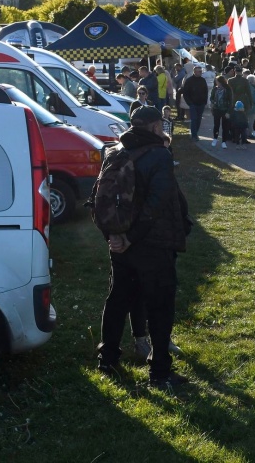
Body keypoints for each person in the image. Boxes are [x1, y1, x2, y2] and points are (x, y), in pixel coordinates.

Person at [97, 106, 191, 388]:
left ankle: (107, 359)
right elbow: (157, 202)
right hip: (152, 243)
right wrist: (132, 237)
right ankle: (159, 372)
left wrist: (114, 236)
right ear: (155, 126)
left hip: (120, 243)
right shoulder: (159, 155)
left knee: (118, 299)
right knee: (159, 305)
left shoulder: (115, 151)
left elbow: (100, 199)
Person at [179, 66, 208, 141]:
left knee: (198, 119)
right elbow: (185, 93)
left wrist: (205, 101)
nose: (200, 73)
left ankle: (196, 133)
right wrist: (190, 103)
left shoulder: (203, 80)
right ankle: (194, 135)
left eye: (201, 71)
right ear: (194, 72)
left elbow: (205, 91)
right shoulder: (189, 80)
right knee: (194, 119)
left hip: (201, 103)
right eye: (199, 71)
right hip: (193, 104)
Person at [209, 75, 232, 150]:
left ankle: (224, 141)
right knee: (216, 125)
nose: (216, 83)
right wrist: (213, 102)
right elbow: (211, 98)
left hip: (225, 110)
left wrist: (228, 112)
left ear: (220, 82)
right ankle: (215, 138)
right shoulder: (215, 89)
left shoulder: (227, 89)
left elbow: (231, 101)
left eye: (217, 81)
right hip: (216, 109)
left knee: (225, 126)